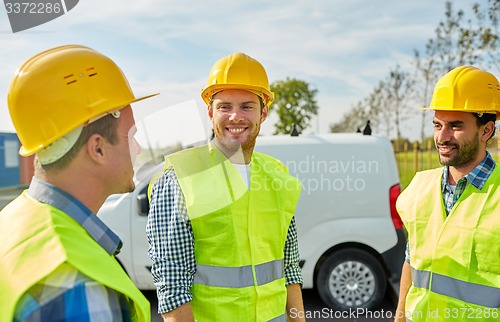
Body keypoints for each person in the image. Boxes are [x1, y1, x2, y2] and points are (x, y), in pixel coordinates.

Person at [0, 45, 158, 321]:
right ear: (98, 149)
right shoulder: (79, 284)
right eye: (130, 135)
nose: (139, 147)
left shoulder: (14, 220)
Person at [147, 52, 305, 321]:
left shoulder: (278, 176)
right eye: (224, 107)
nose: (235, 117)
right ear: (210, 112)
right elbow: (173, 290)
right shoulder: (180, 178)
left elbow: (290, 270)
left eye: (246, 106)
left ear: (263, 112)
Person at [394, 66, 500, 322]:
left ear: (486, 130)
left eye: (455, 126)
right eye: (437, 125)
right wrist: (399, 317)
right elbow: (411, 260)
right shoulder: (419, 188)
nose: (442, 136)